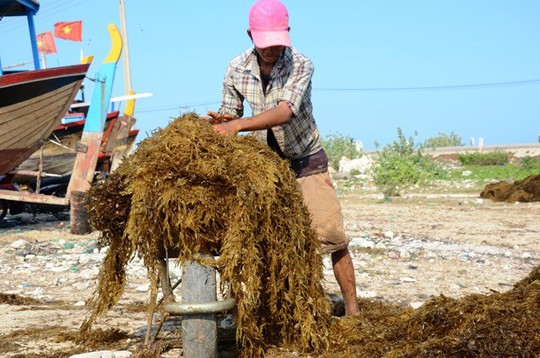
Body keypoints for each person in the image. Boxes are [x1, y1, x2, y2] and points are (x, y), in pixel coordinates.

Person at [205, 0, 360, 316]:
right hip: (266, 166)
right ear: (250, 35)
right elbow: (230, 113)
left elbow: (285, 111)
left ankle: (353, 309)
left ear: (286, 34)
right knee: (262, 237)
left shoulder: (301, 65)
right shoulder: (236, 68)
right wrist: (223, 121)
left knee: (330, 235)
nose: (271, 49)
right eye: (265, 43)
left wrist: (238, 124)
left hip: (306, 159)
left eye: (277, 42)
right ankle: (264, 309)